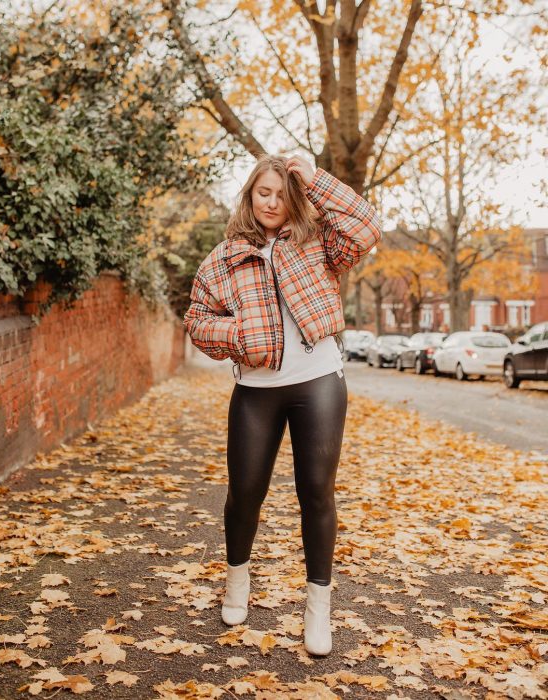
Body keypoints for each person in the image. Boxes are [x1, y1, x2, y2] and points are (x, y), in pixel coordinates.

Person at [183, 153, 382, 656]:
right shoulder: (223, 259)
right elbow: (197, 319)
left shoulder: (318, 245)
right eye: (263, 192)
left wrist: (315, 181)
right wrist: (239, 334)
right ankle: (237, 582)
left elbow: (365, 226)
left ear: (293, 197)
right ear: (250, 195)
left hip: (318, 382)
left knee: (317, 492)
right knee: (244, 494)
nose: (271, 202)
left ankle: (318, 609)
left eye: (281, 193)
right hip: (255, 391)